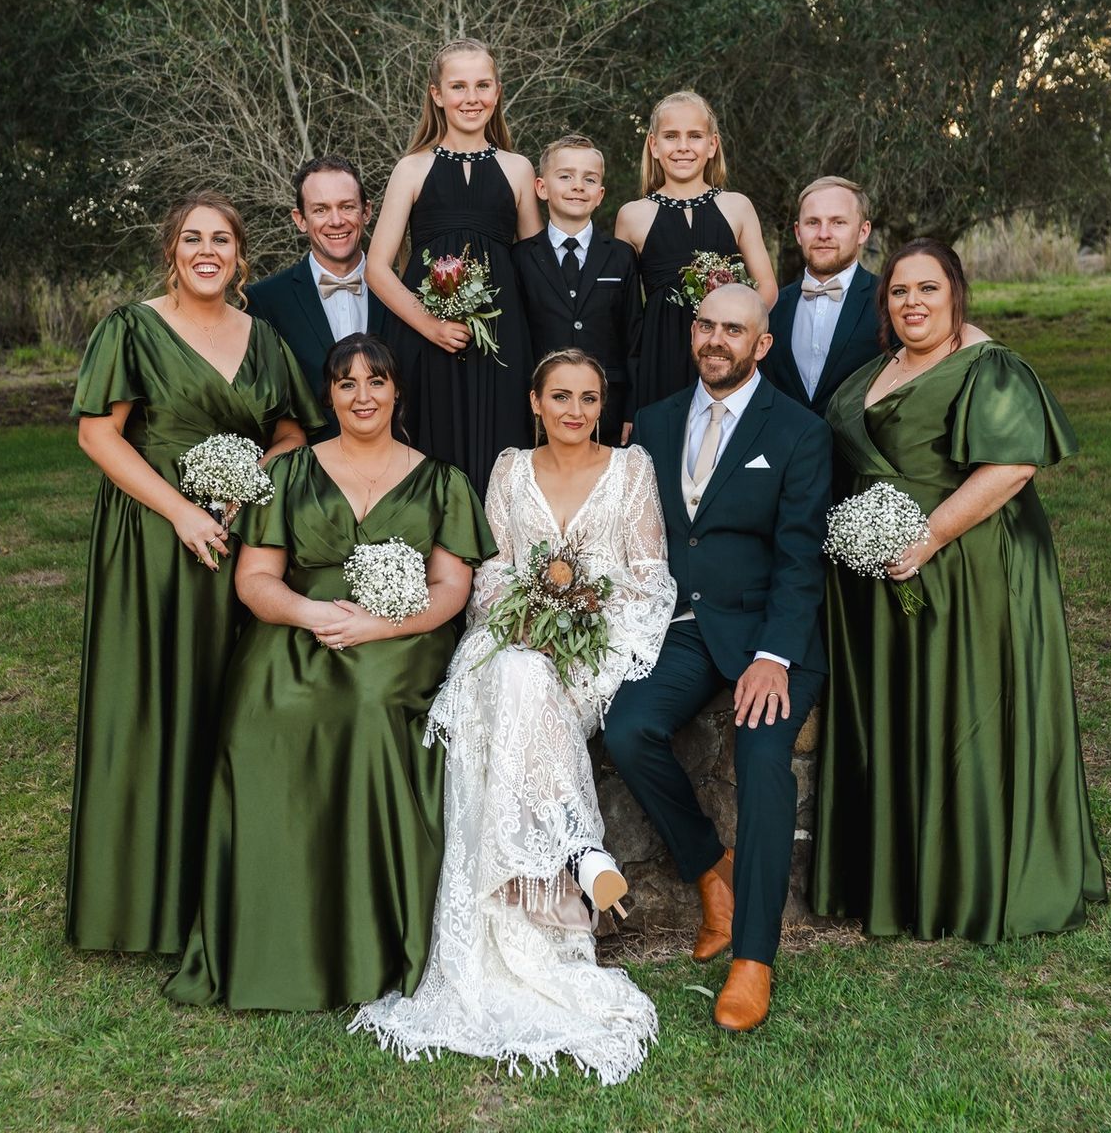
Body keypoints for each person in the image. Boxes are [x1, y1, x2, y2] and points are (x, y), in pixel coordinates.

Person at [353, 350, 675, 1084]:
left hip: (594, 657)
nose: (574, 411)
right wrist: (528, 618)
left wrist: (581, 628)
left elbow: (649, 582)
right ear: (534, 401)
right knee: (516, 675)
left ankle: (562, 860)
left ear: (602, 405)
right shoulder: (506, 471)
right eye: (559, 396)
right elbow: (492, 573)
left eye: (589, 399)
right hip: (508, 641)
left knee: (528, 683)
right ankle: (577, 852)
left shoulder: (633, 471)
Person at [164, 333, 494, 1010]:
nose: (363, 395)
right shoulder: (288, 474)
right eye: (347, 383)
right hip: (300, 625)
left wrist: (377, 625)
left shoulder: (442, 480)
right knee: (263, 713)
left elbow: (450, 591)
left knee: (369, 707)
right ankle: (269, 940)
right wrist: (311, 615)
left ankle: (370, 944)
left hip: (403, 638)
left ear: (397, 391)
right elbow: (255, 581)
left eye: (376, 381)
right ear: (329, 395)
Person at [811, 238, 1107, 944]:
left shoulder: (988, 366)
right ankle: (903, 878)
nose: (913, 304)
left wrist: (929, 538)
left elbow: (1010, 466)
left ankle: (973, 882)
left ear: (956, 295)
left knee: (965, 708)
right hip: (880, 577)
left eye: (928, 290)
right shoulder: (877, 369)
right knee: (906, 710)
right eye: (900, 292)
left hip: (969, 568)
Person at [67, 191, 321, 954]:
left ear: (240, 257)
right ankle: (138, 905)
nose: (206, 251)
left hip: (240, 538)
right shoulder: (131, 329)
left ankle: (224, 891)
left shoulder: (264, 337)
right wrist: (178, 509)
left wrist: (250, 483)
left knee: (227, 700)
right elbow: (96, 436)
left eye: (221, 240)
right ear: (171, 251)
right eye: (191, 239)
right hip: (149, 541)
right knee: (149, 702)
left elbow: (292, 432)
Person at [602, 284, 831, 1034]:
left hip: (772, 630)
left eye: (735, 329)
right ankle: (711, 871)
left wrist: (773, 656)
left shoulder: (798, 432)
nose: (717, 339)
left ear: (762, 344)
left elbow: (802, 560)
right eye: (706, 325)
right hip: (685, 627)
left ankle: (754, 958)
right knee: (628, 726)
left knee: (764, 757)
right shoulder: (657, 423)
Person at [365, 38, 542, 495]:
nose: (472, 98)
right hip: (427, 343)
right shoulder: (412, 168)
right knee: (429, 452)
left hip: (504, 343)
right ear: (437, 95)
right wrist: (431, 326)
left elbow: (535, 266)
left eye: (482, 85)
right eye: (458, 86)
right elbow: (378, 269)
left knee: (503, 455)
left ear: (497, 92)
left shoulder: (518, 169)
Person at [615, 91, 778, 416]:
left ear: (712, 144)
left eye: (695, 136)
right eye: (671, 136)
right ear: (654, 145)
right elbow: (624, 314)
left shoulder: (736, 206)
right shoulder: (632, 215)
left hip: (727, 354)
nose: (683, 147)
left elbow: (767, 288)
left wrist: (732, 330)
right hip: (659, 357)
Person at [247, 155, 398, 439]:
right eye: (321, 210)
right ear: (300, 219)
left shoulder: (405, 292)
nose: (337, 220)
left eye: (347, 206)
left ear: (366, 212)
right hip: (307, 473)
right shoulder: (264, 302)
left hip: (399, 469)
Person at [511, 136, 642, 437]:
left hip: (607, 408)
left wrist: (632, 408)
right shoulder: (520, 257)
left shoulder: (621, 256)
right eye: (566, 176)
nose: (578, 185)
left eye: (590, 179)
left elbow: (634, 339)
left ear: (600, 194)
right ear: (542, 188)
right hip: (541, 411)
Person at [763, 176, 882, 415]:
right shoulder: (772, 305)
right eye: (813, 223)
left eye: (838, 222)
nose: (824, 234)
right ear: (798, 232)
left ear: (863, 231)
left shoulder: (889, 301)